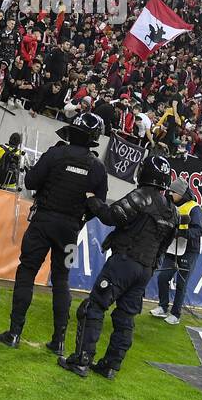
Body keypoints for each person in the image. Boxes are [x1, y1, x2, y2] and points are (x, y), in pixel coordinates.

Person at [58, 153, 179, 379]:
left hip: (125, 261)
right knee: (125, 317)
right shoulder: (173, 212)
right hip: (145, 269)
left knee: (93, 307)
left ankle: (82, 360)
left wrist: (92, 199)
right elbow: (164, 246)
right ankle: (110, 366)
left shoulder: (142, 195)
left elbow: (112, 216)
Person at [0, 112, 107, 353]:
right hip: (69, 230)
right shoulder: (97, 166)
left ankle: (14, 332)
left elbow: (31, 182)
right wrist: (81, 218)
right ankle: (59, 341)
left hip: (43, 222)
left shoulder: (55, 154)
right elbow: (99, 205)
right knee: (61, 280)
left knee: (27, 272)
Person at [151, 178, 202, 325]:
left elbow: (198, 230)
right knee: (163, 277)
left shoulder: (194, 208)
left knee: (181, 283)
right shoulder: (171, 205)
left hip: (190, 250)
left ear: (181, 193)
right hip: (172, 247)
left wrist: (180, 233)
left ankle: (176, 314)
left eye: (173, 192)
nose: (170, 194)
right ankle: (163, 306)